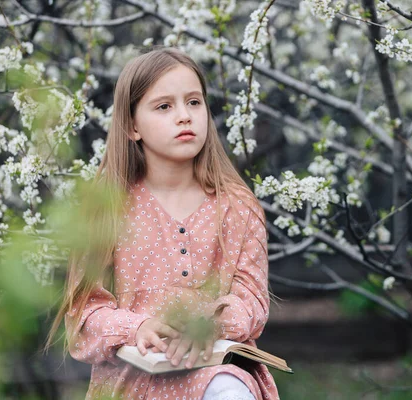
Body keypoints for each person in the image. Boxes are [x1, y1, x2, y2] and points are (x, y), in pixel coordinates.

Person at [45, 47, 279, 400]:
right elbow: (83, 316)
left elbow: (251, 301)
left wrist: (208, 324)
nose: (184, 116)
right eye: (164, 106)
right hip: (132, 380)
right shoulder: (108, 209)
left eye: (194, 102)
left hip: (216, 371)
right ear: (132, 126)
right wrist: (137, 327)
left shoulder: (237, 206)